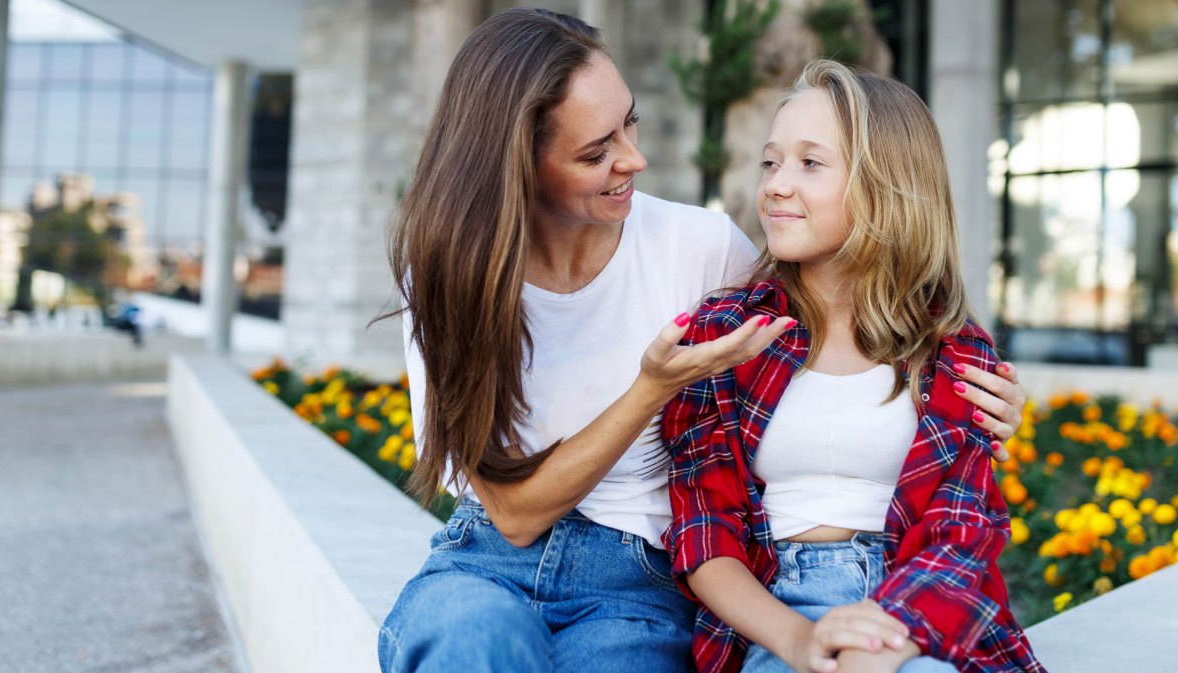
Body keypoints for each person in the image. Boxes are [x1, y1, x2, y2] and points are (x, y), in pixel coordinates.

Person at [379, 10, 1027, 673]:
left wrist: (991, 404)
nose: (634, 158)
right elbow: (521, 514)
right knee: (470, 641)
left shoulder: (706, 254)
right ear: (524, 165)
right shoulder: (450, 272)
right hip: (490, 554)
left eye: (628, 123)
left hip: (634, 581)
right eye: (596, 151)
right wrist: (651, 388)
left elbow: (960, 519)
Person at [662, 60, 1045, 673]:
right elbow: (703, 532)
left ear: (885, 184)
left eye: (810, 163)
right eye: (771, 161)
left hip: (919, 613)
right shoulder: (725, 334)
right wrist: (797, 639)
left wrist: (884, 641)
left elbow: (962, 534)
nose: (776, 185)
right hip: (777, 612)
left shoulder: (953, 348)